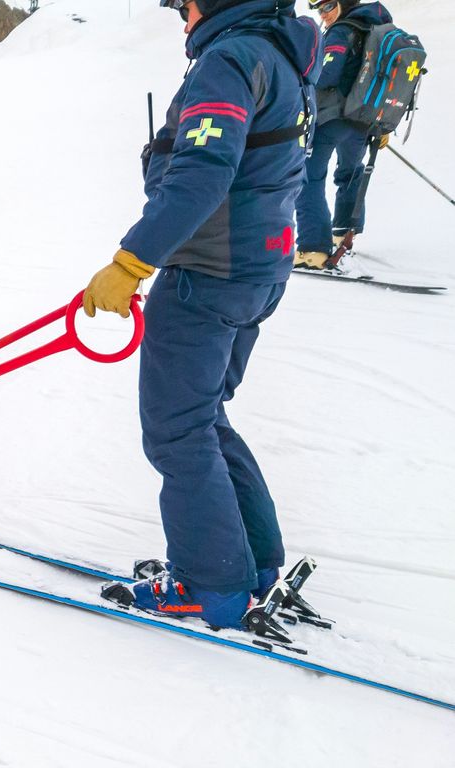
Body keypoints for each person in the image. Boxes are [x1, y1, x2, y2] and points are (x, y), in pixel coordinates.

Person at [82, 0, 318, 631]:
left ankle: (211, 585)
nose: (183, 20)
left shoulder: (231, 58)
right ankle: (252, 566)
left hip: (208, 276)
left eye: (184, 6)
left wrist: (132, 262)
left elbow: (202, 175)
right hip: (260, 268)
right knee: (203, 417)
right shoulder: (284, 54)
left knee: (177, 431)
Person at [294, 0, 393, 269]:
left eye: (327, 7)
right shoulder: (376, 27)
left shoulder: (342, 31)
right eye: (318, 10)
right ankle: (344, 233)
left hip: (332, 118)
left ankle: (313, 249)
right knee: (350, 172)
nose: (323, 15)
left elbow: (325, 75)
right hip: (363, 120)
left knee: (308, 177)